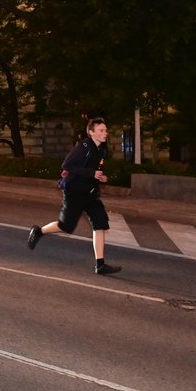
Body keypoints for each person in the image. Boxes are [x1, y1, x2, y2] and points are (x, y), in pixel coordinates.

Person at [27, 117, 122, 275]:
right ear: (91, 132)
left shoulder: (102, 149)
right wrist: (92, 173)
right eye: (101, 130)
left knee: (100, 223)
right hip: (74, 192)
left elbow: (93, 169)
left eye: (106, 130)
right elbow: (67, 165)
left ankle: (100, 264)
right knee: (66, 226)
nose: (105, 133)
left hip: (90, 193)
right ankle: (38, 231)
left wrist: (101, 178)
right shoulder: (83, 146)